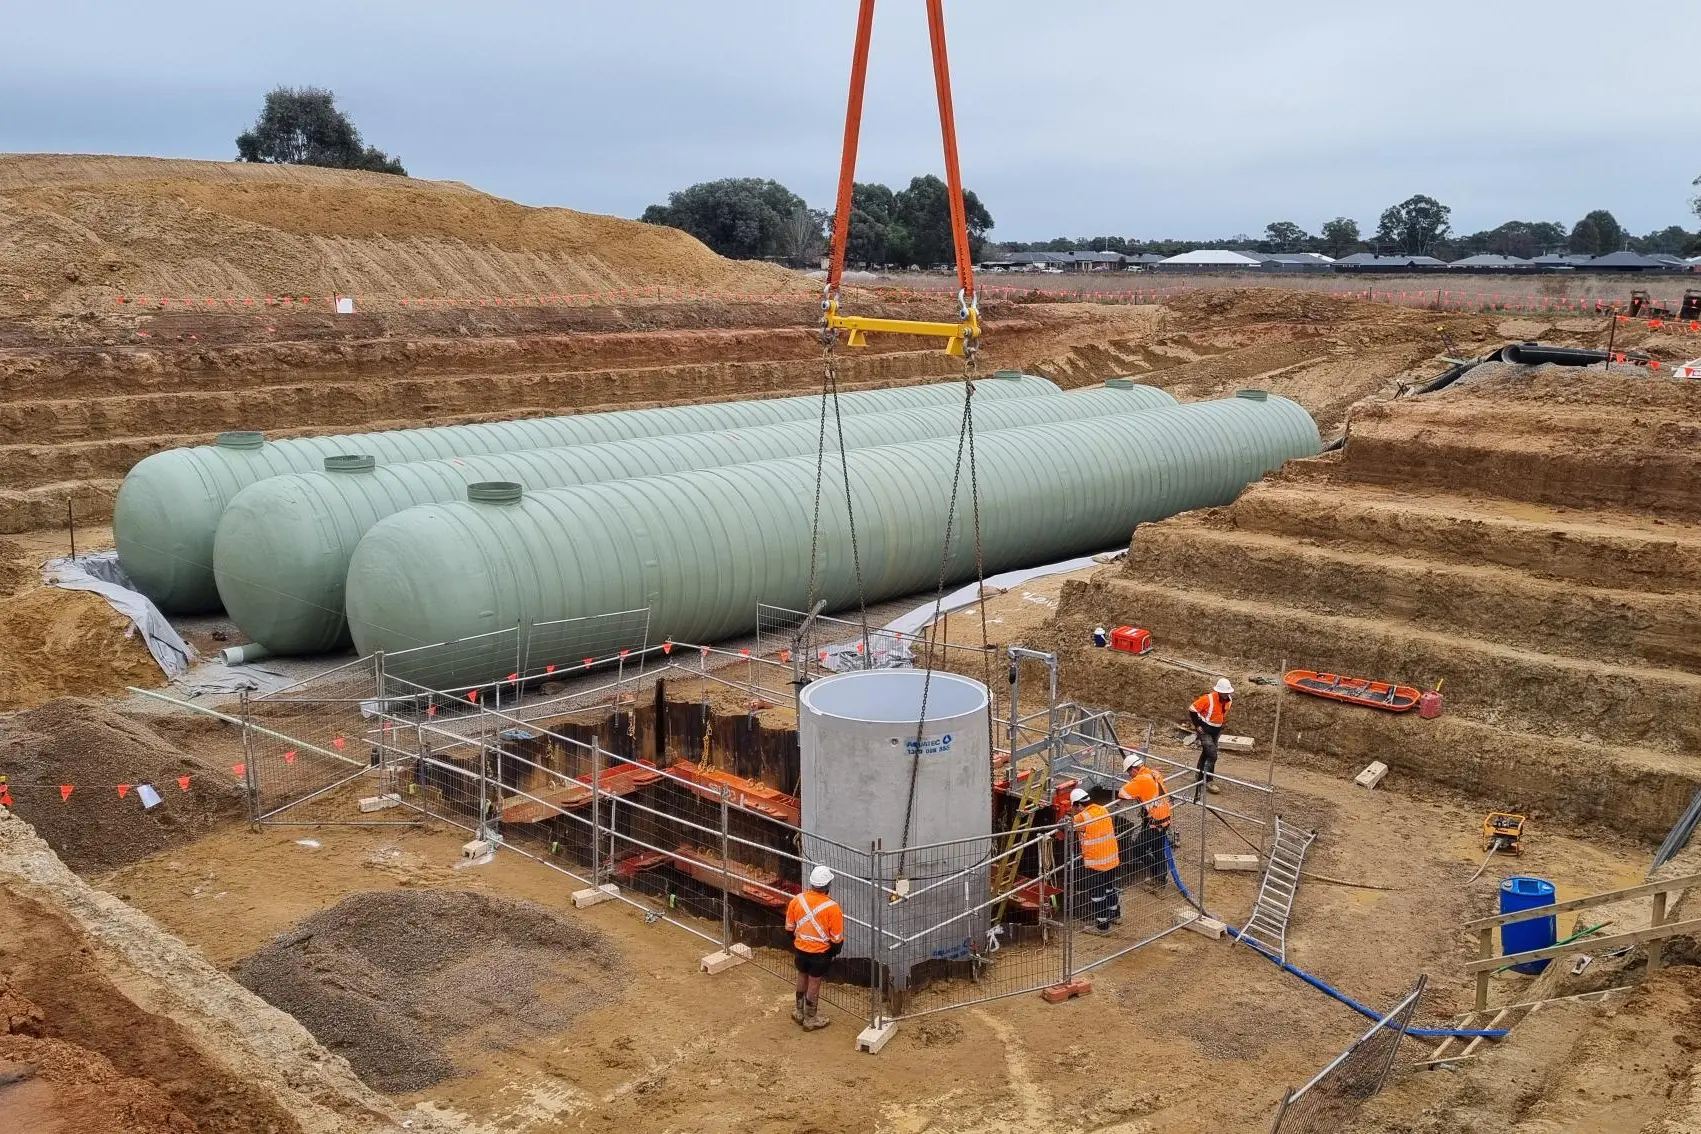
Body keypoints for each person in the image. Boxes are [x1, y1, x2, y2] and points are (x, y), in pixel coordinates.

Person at [785, 865, 844, 1031]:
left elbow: (789, 928)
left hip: (800, 949)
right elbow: (837, 939)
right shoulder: (833, 908)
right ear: (828, 886)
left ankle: (799, 1011)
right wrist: (832, 953)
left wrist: (799, 941)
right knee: (814, 982)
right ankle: (811, 1018)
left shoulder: (797, 900)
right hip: (819, 953)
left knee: (802, 975)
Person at [1068, 787, 1121, 933]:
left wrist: (1064, 821)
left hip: (1096, 863)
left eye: (1074, 807)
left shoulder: (1082, 817)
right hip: (1111, 859)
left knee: (1098, 895)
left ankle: (1102, 926)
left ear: (1078, 805)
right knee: (1110, 888)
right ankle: (1115, 914)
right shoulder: (1102, 810)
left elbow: (1066, 826)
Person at [1117, 753, 1172, 889]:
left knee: (1137, 849)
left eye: (1130, 773)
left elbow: (1122, 793)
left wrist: (1133, 785)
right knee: (1158, 850)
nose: (1130, 776)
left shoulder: (1140, 780)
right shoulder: (1154, 773)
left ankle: (1157, 877)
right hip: (1163, 818)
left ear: (1133, 769)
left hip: (1154, 821)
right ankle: (1160, 878)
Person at [1190, 677, 1233, 800]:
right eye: (1224, 693)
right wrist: (1197, 725)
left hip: (1215, 730)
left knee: (1206, 753)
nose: (1226, 695)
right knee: (1212, 754)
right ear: (1219, 691)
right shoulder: (1208, 699)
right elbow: (1192, 709)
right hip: (1204, 730)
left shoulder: (1229, 701)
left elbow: (1222, 715)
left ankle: (1199, 775)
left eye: (1227, 693)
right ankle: (1208, 780)